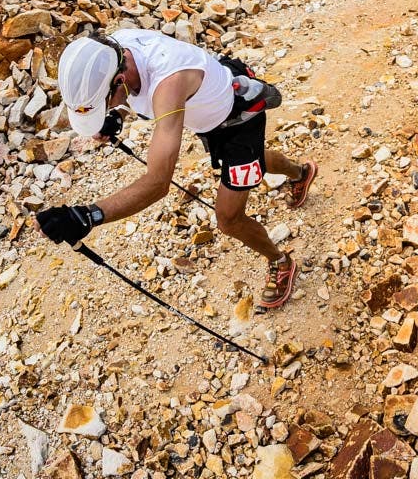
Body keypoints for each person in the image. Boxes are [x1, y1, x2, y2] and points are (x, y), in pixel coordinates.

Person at [35, 30, 317, 309]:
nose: (109, 106)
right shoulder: (112, 51)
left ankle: (280, 262)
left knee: (228, 219)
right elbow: (128, 92)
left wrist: (87, 215)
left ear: (119, 80)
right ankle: (300, 173)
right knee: (252, 162)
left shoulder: (168, 83)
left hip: (239, 120)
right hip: (209, 110)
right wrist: (113, 115)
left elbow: (158, 183)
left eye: (106, 102)